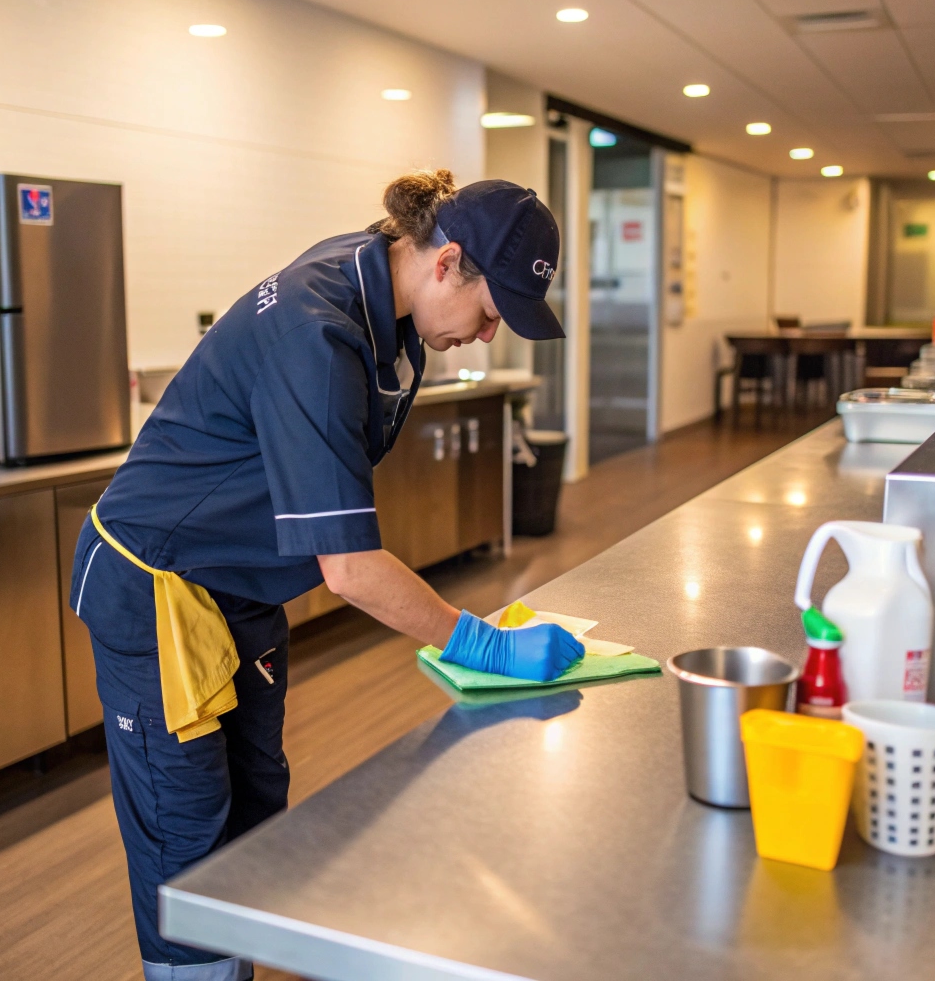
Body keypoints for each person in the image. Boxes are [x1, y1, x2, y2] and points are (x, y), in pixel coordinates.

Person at [69, 170, 585, 980]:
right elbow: (347, 568)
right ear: (448, 262)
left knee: (257, 803)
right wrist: (480, 645)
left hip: (239, 586)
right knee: (188, 831)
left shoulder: (383, 291)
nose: (489, 336)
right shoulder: (315, 327)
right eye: (491, 313)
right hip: (157, 587)